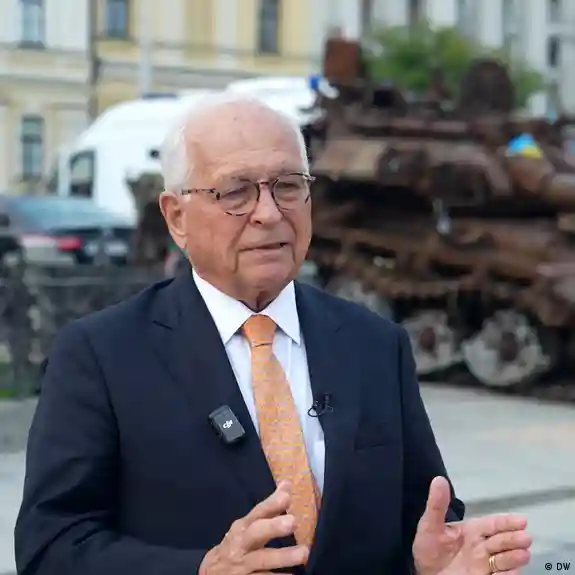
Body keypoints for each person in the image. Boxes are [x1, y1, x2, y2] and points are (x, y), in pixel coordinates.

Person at [14, 94, 532, 575]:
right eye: (235, 192)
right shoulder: (102, 355)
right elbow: (50, 545)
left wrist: (428, 563)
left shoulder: (374, 345)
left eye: (287, 186)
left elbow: (423, 513)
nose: (268, 213)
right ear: (176, 217)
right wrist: (202, 570)